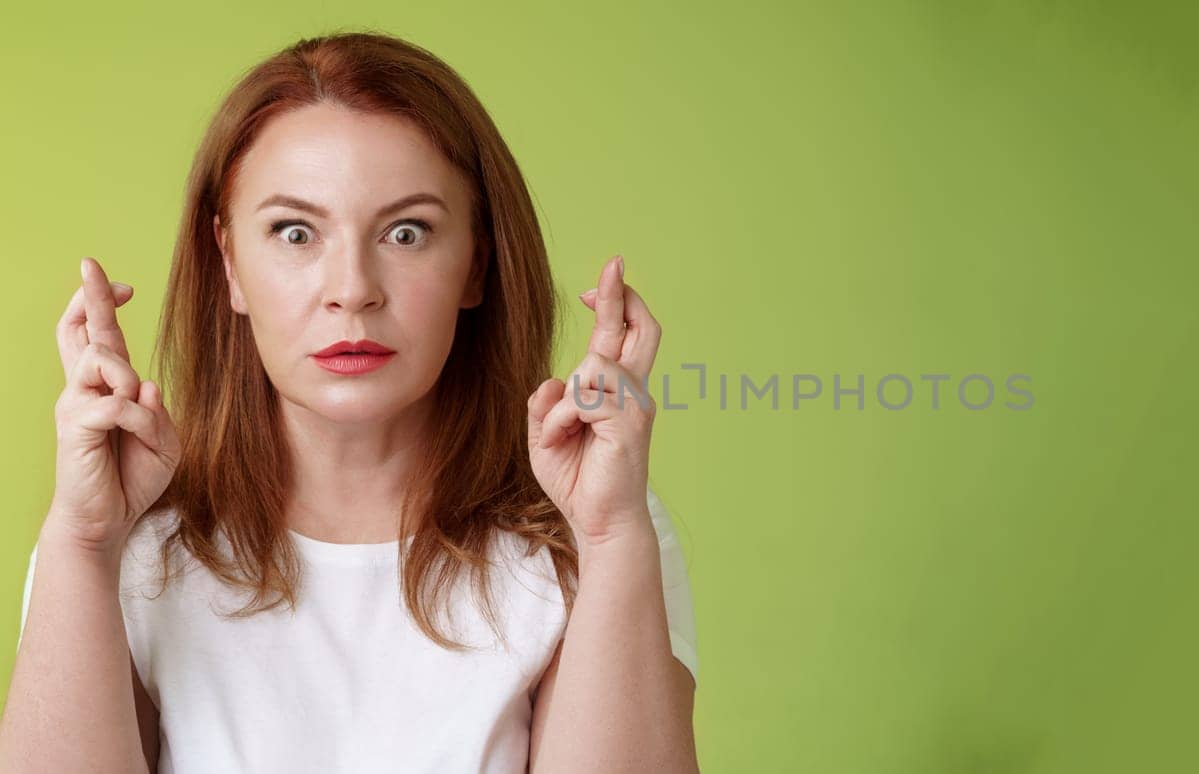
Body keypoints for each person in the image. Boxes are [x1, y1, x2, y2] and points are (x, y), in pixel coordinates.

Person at [0, 31, 698, 773]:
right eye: (295, 232)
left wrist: (613, 537)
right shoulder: (121, 539)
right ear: (230, 263)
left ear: (477, 264)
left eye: (406, 231)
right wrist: (83, 542)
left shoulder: (595, 530)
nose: (353, 289)